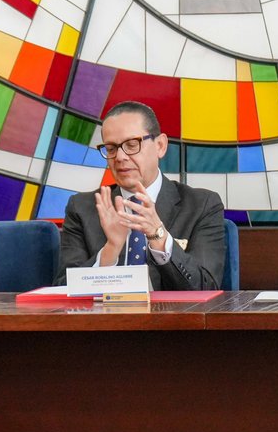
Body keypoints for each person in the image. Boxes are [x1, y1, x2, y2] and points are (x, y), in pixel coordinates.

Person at [56, 101, 225, 290]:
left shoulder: (201, 205)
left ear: (160, 146)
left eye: (131, 145)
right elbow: (63, 289)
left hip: (173, 310)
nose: (120, 157)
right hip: (106, 310)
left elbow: (206, 288)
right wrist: (110, 251)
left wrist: (159, 236)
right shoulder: (82, 207)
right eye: (111, 149)